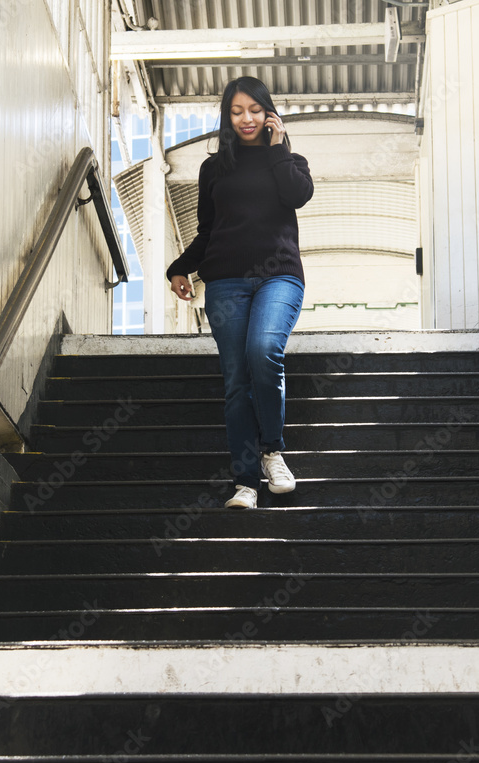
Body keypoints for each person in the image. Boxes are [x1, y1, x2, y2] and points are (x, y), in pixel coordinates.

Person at [167, 76, 314, 509]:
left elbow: (298, 195)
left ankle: (272, 450)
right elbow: (208, 232)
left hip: (279, 276)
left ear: (269, 113)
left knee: (264, 350)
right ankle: (245, 483)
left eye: (254, 109)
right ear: (226, 117)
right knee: (236, 382)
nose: (246, 118)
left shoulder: (289, 161)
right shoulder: (213, 168)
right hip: (226, 280)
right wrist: (179, 266)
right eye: (236, 111)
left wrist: (278, 148)